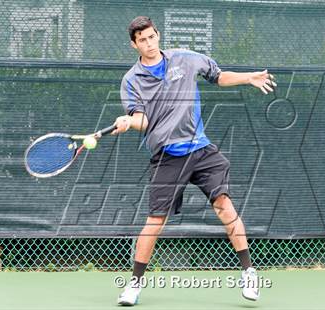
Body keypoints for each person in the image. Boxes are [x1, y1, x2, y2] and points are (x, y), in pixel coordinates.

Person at [113, 16, 276, 306]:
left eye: (152, 37)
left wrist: (248, 77)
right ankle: (134, 286)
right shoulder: (131, 80)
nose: (149, 43)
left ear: (157, 35)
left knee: (224, 206)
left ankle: (249, 273)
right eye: (142, 40)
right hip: (167, 156)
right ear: (134, 44)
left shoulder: (186, 59)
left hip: (200, 150)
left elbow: (218, 76)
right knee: (154, 222)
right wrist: (129, 121)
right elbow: (143, 119)